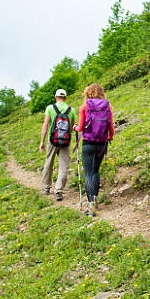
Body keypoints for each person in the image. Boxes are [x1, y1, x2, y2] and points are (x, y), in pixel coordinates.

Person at [73, 83, 114, 217]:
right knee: (95, 172)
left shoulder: (84, 107)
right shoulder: (107, 107)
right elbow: (111, 129)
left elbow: (80, 127)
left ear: (87, 93)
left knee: (89, 174)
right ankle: (95, 204)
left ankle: (91, 207)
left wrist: (75, 128)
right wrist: (109, 137)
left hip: (88, 143)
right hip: (102, 143)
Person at [40, 88, 76, 201]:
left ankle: (46, 187)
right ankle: (59, 190)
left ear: (56, 97)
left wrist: (42, 141)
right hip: (65, 141)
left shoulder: (50, 108)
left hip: (52, 140)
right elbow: (70, 128)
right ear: (65, 98)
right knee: (64, 165)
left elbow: (45, 125)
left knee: (49, 162)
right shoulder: (71, 110)